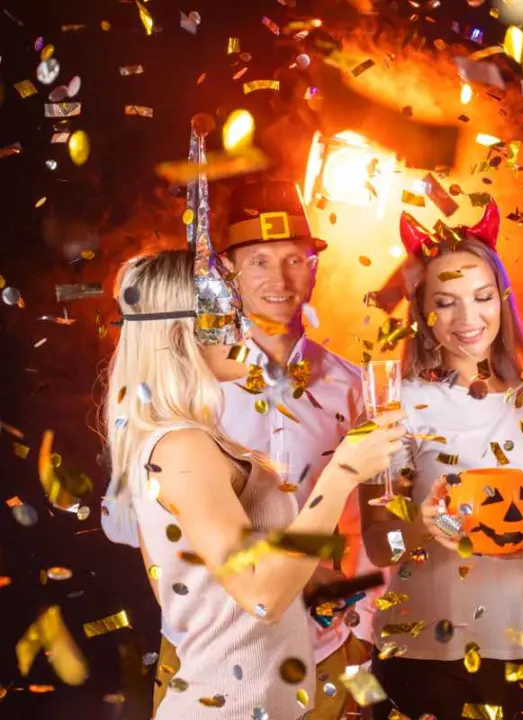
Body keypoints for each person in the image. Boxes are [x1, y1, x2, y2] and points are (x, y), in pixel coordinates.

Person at [102, 180, 384, 720]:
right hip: (222, 682)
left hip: (303, 662)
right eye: (224, 312)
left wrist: (351, 614)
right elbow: (247, 591)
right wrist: (341, 473)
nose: (239, 328)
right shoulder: (182, 440)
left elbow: (364, 526)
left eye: (294, 260)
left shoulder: (349, 384)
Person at [357, 203, 523, 720]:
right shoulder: (396, 403)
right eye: (446, 302)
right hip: (422, 660)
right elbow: (378, 545)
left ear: (502, 299)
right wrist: (424, 525)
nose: (468, 319)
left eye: (482, 298)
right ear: (422, 311)